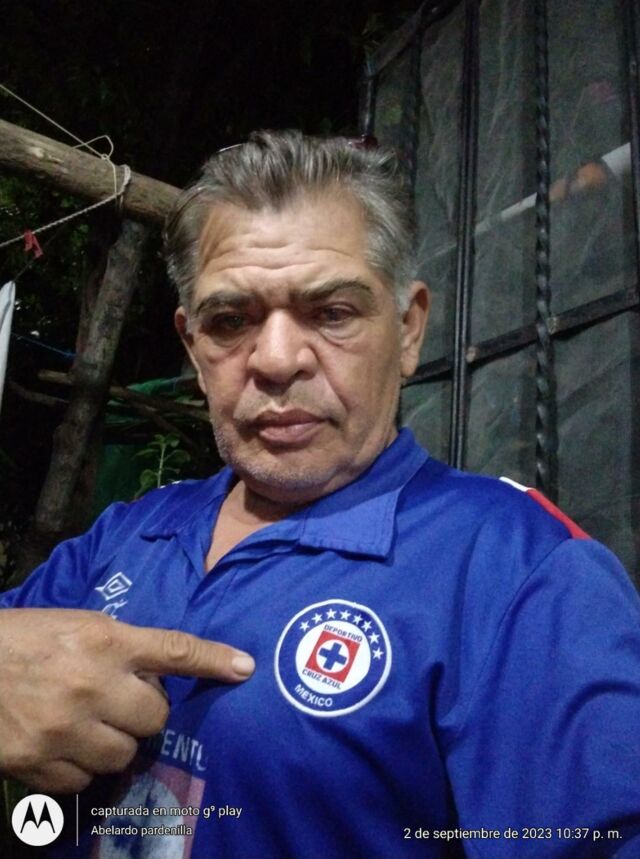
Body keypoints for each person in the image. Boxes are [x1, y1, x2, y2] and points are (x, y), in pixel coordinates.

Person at [1, 130, 639, 859]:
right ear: (194, 349)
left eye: (332, 312)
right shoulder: (133, 530)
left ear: (408, 330)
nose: (276, 360)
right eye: (230, 321)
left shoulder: (516, 573)